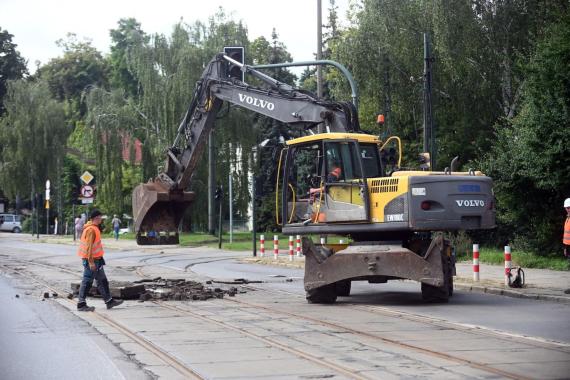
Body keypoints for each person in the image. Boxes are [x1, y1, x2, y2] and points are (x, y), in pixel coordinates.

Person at [77, 209, 123, 311]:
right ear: (96, 218)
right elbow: (89, 247)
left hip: (97, 260)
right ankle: (81, 304)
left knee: (102, 281)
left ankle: (109, 301)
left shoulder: (94, 228)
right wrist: (91, 262)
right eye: (100, 217)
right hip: (92, 260)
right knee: (87, 281)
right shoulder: (91, 230)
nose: (101, 219)